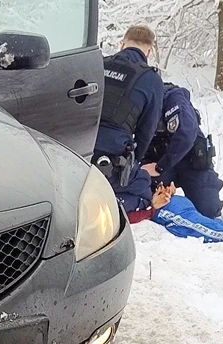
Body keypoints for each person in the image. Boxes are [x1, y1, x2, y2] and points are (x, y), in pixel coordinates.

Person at [93, 25, 165, 212]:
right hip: (112, 160)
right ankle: (106, 204)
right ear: (148, 53)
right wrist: (135, 161)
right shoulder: (151, 80)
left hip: (76, 150)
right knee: (144, 188)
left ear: (122, 45)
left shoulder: (98, 63)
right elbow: (146, 130)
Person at [143, 82, 223, 218]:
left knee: (208, 210)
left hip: (190, 161)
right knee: (151, 205)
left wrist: (160, 167)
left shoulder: (173, 98)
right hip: (157, 161)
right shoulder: (134, 101)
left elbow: (186, 135)